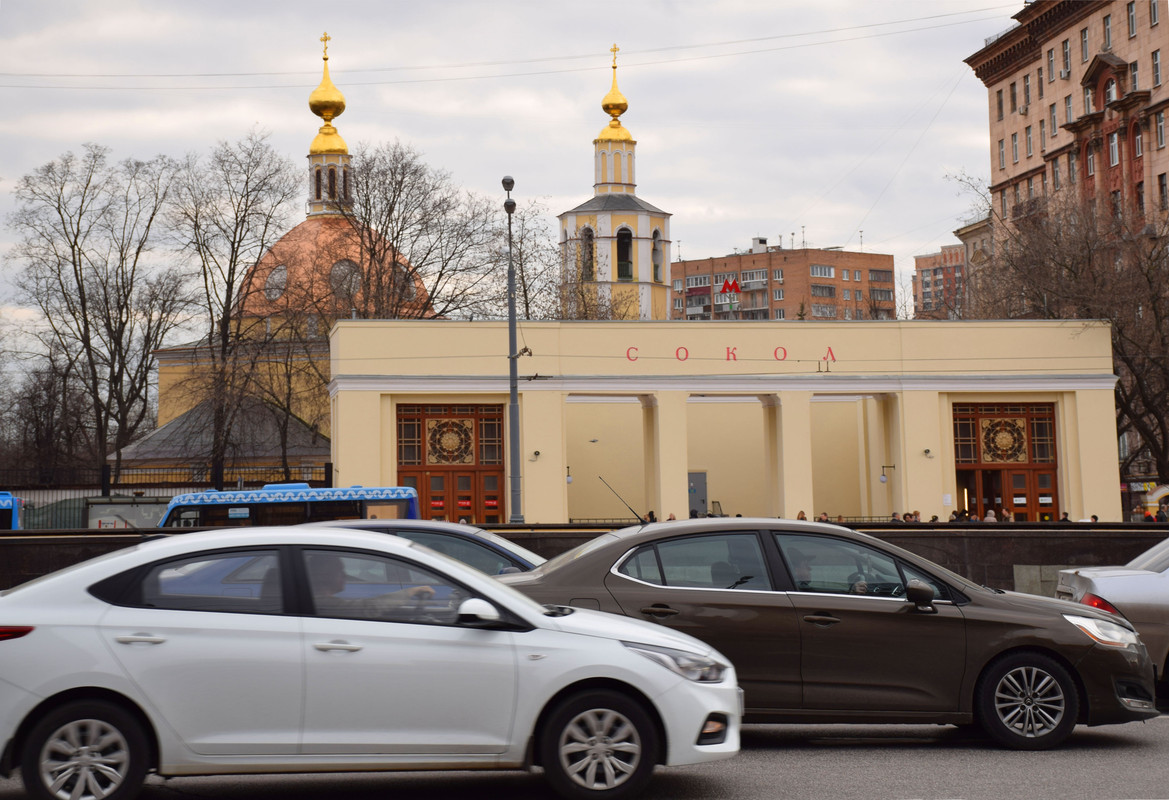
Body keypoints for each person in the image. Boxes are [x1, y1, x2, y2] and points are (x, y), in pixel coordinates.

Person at [309, 554, 434, 619]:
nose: (344, 576)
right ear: (325, 575)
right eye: (339, 571)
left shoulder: (316, 600)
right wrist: (410, 592)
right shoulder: (323, 603)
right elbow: (367, 608)